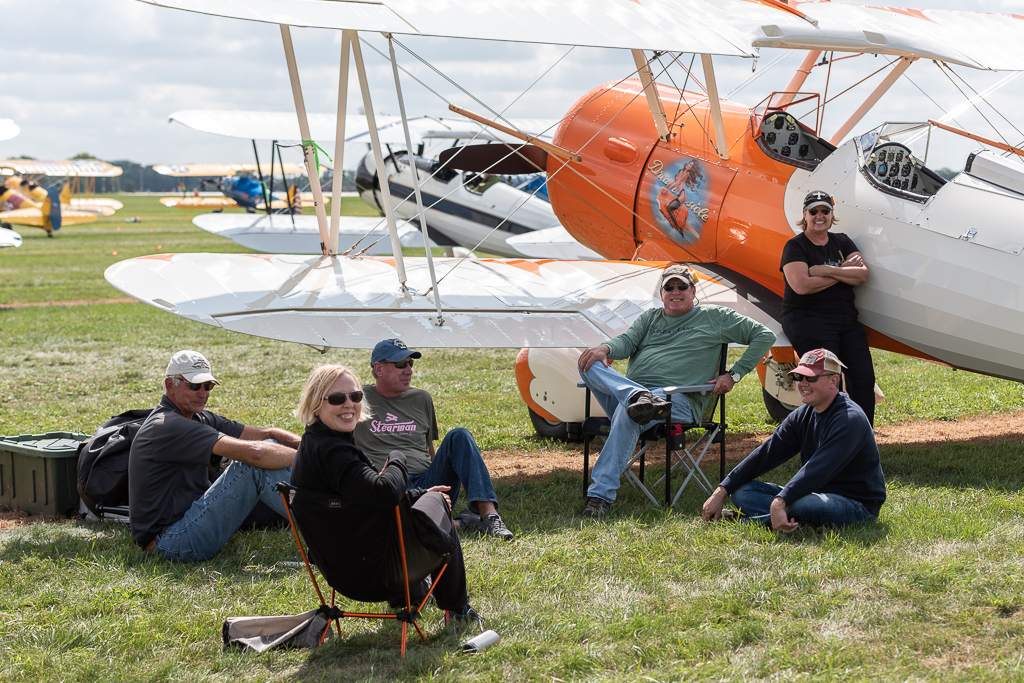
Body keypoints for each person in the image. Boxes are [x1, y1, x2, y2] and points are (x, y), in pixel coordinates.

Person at [577, 264, 777, 517]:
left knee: (630, 412)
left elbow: (764, 334)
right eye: (669, 287)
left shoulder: (716, 316)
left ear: (693, 291)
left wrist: (735, 374)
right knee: (587, 361)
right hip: (636, 396)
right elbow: (626, 342)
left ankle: (599, 497)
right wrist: (605, 348)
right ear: (661, 293)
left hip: (677, 401)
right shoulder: (649, 318)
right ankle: (636, 396)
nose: (675, 291)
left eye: (682, 286)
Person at [289, 364, 480, 624]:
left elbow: (364, 499)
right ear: (314, 405)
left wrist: (419, 493)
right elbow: (385, 493)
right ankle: (458, 609)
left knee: (428, 496)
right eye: (336, 399)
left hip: (341, 574)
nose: (349, 405)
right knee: (438, 501)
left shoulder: (312, 448)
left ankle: (413, 594)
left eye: (355, 396)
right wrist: (396, 458)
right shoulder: (337, 454)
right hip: (381, 575)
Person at [128, 350, 300, 562]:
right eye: (194, 386)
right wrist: (311, 457)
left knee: (271, 446)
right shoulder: (169, 425)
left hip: (186, 525)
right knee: (254, 466)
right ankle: (331, 527)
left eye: (208, 386)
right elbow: (255, 454)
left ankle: (331, 517)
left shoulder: (196, 417)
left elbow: (269, 434)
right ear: (170, 385)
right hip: (170, 543)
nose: (203, 393)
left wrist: (315, 448)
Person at [701, 349, 886, 532]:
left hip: (857, 505)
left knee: (799, 504)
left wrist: (780, 501)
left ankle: (745, 522)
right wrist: (722, 490)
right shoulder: (803, 415)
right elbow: (766, 454)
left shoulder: (849, 419)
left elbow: (818, 470)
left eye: (811, 377)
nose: (803, 383)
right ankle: (798, 522)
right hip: (815, 494)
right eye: (799, 377)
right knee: (742, 492)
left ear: (833, 381)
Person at [353, 339, 514, 541]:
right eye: (401, 364)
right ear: (378, 369)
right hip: (388, 485)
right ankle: (460, 523)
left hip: (426, 483)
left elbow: (430, 450)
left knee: (460, 435)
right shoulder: (358, 401)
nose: (409, 371)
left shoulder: (421, 399)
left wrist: (434, 486)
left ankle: (490, 517)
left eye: (411, 363)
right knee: (387, 523)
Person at [780, 190, 876, 424]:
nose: (820, 216)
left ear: (832, 214)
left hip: (845, 320)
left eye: (825, 211)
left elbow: (862, 275)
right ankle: (827, 439)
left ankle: (861, 439)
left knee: (863, 379)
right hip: (808, 318)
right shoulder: (795, 246)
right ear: (805, 214)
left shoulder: (842, 241)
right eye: (814, 211)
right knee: (826, 381)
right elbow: (802, 286)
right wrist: (844, 271)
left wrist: (827, 269)